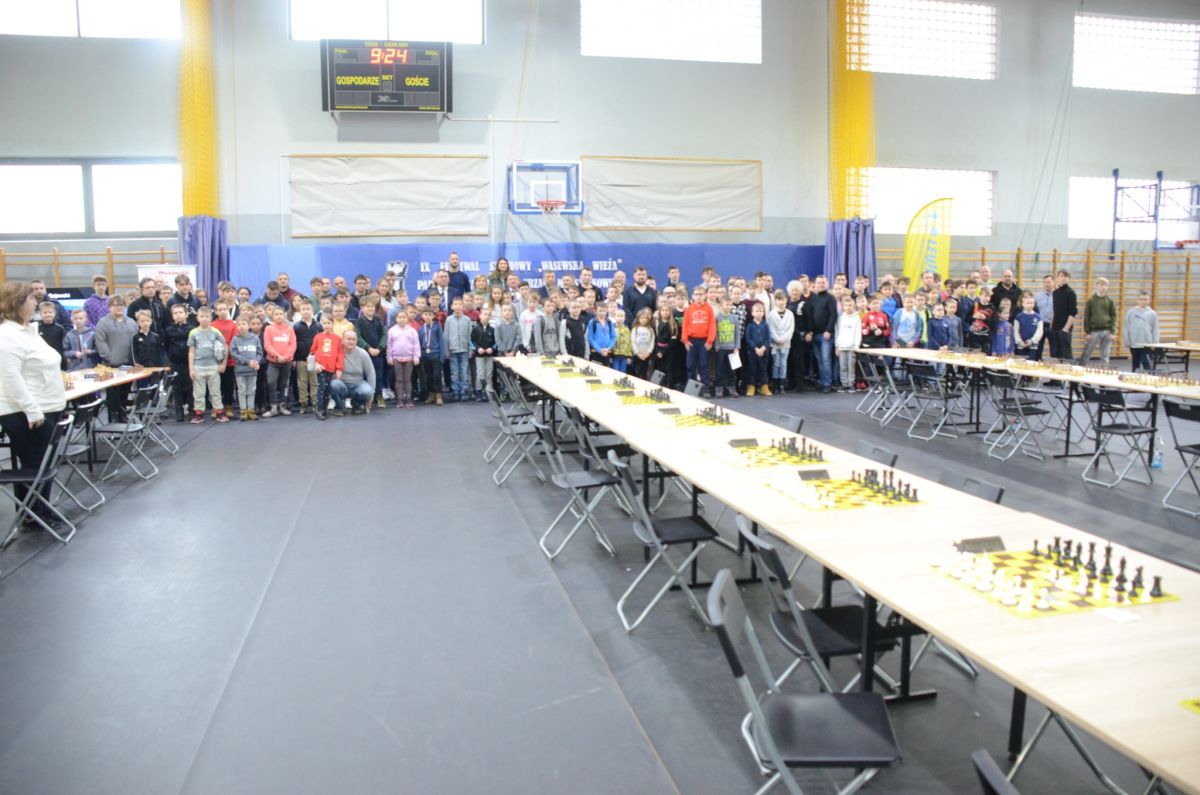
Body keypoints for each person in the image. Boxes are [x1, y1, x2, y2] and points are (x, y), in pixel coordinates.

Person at [0, 281, 68, 531]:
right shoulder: (7, 335)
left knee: (42, 464)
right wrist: (32, 410)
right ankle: (34, 514)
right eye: (31, 299)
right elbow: (11, 377)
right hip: (25, 412)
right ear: (18, 303)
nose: (36, 302)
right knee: (35, 465)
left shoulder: (28, 331)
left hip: (47, 406)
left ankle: (37, 510)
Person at [94, 295, 138, 421]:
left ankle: (122, 415)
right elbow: (100, 342)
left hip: (128, 364)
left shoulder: (131, 322)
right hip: (111, 365)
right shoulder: (103, 323)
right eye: (115, 305)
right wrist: (109, 358)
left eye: (121, 305)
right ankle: (113, 417)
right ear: (109, 307)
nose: (119, 307)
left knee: (125, 391)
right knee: (113, 394)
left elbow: (136, 341)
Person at [187, 307, 229, 423]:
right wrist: (191, 369)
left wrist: (223, 364)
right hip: (198, 367)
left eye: (207, 316)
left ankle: (219, 412)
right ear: (197, 318)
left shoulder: (216, 332)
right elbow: (191, 351)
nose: (204, 319)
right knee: (198, 392)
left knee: (215, 391)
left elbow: (225, 346)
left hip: (213, 366)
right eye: (202, 316)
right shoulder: (193, 332)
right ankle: (198, 414)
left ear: (211, 318)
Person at [262, 304, 297, 416]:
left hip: (287, 362)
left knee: (284, 384)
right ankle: (273, 406)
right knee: (271, 382)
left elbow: (293, 345)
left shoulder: (289, 329)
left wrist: (286, 357)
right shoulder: (269, 329)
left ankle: (282, 406)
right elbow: (267, 345)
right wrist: (277, 356)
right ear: (272, 316)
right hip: (273, 362)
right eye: (276, 314)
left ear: (284, 315)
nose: (279, 316)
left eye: (281, 314)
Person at [331, 329, 375, 415]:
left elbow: (371, 373)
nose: (351, 342)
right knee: (333, 385)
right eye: (348, 339)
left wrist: (372, 395)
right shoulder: (335, 352)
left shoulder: (363, 353)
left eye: (354, 339)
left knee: (368, 391)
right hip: (341, 384)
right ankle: (339, 407)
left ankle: (356, 405)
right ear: (342, 340)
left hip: (358, 383)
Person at [162, 304, 194, 419]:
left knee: (190, 386)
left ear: (186, 314)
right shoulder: (168, 330)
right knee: (176, 387)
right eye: (175, 313)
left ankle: (191, 409)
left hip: (189, 362)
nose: (178, 315)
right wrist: (169, 360)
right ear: (172, 316)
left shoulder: (192, 329)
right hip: (175, 363)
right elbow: (166, 346)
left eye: (180, 312)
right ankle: (179, 410)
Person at [682, 286, 716, 392]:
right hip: (691, 341)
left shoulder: (709, 309)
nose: (698, 297)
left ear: (705, 295)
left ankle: (705, 387)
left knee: (704, 365)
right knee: (690, 365)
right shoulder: (689, 309)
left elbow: (712, 326)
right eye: (696, 294)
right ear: (692, 296)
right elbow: (684, 325)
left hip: (704, 342)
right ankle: (691, 388)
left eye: (700, 294)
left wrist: (710, 341)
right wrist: (685, 341)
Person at [354, 298, 387, 408]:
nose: (370, 308)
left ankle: (379, 396)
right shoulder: (359, 322)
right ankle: (367, 398)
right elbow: (358, 337)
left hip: (379, 353)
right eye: (367, 306)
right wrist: (368, 348)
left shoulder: (379, 320)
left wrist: (380, 348)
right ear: (362, 308)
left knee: (379, 376)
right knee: (365, 376)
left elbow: (384, 334)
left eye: (372, 306)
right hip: (365, 354)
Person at [230, 315, 264, 421]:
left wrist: (256, 361)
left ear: (248, 325)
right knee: (242, 391)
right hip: (240, 371)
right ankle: (243, 411)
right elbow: (233, 353)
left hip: (252, 370)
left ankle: (251, 410)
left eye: (244, 324)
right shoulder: (235, 339)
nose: (241, 326)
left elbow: (260, 352)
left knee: (251, 390)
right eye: (239, 324)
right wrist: (247, 361)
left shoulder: (254, 338)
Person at [807, 276, 838, 393]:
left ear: (827, 284)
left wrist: (828, 330)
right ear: (815, 284)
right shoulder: (813, 299)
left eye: (823, 282)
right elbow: (810, 317)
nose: (821, 284)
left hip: (826, 335)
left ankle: (827, 383)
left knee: (826, 360)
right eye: (819, 282)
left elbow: (833, 315)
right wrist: (810, 331)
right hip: (815, 334)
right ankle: (822, 381)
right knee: (819, 360)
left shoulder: (831, 298)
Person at [310, 313, 343, 420]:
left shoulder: (337, 338)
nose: (327, 325)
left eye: (329, 323)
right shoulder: (318, 337)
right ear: (321, 324)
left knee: (328, 389)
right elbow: (312, 352)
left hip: (331, 368)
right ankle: (319, 409)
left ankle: (324, 408)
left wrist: (339, 369)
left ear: (333, 324)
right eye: (324, 323)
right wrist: (315, 364)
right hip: (320, 367)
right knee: (321, 388)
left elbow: (340, 354)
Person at [386, 308, 421, 408]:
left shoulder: (412, 331)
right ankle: (400, 399)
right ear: (396, 319)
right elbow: (389, 345)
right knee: (399, 379)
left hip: (409, 358)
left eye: (404, 317)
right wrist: (389, 357)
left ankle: (409, 399)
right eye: (400, 317)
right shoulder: (392, 331)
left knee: (407, 379)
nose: (402, 319)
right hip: (396, 359)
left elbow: (416, 345)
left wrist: (416, 357)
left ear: (407, 318)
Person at [1079, 277, 1116, 366]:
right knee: (1086, 353)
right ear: (1097, 286)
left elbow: (1113, 316)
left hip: (1106, 330)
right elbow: (1087, 317)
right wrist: (1087, 332)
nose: (1103, 287)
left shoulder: (1110, 301)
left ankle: (1103, 371)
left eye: (1105, 285)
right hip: (1094, 331)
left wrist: (1112, 331)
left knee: (1105, 355)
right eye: (1101, 285)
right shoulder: (1091, 301)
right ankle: (1080, 369)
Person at [443, 296, 473, 402]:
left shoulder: (467, 320)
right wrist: (446, 350)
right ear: (452, 306)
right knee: (454, 372)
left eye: (460, 304)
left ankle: (464, 391)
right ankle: (456, 391)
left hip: (464, 350)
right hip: (453, 350)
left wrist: (471, 350)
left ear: (463, 306)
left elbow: (470, 336)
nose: (458, 306)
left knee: (464, 372)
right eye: (455, 304)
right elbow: (446, 336)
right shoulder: (448, 320)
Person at [1124, 292, 1160, 372]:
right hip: (1134, 344)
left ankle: (1148, 378)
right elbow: (1126, 327)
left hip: (1147, 344)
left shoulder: (1152, 313)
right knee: (1135, 366)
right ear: (1137, 300)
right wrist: (1127, 341)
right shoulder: (1131, 312)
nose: (1143, 301)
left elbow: (1155, 329)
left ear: (1149, 301)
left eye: (1145, 299)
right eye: (1141, 299)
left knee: (1146, 364)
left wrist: (1156, 342)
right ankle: (1134, 378)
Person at [767, 290, 794, 394]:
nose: (780, 302)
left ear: (786, 300)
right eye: (778, 299)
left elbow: (791, 329)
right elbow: (771, 329)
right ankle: (775, 385)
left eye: (782, 299)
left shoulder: (790, 314)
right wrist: (777, 339)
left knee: (783, 363)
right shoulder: (771, 314)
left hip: (786, 343)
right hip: (775, 343)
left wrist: (784, 339)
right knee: (776, 363)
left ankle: (781, 384)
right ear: (775, 301)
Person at [713, 298, 741, 398]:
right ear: (721, 306)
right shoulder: (717, 318)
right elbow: (715, 333)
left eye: (730, 305)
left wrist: (737, 347)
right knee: (719, 369)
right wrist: (716, 345)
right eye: (726, 305)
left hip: (732, 348)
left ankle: (731, 387)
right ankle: (719, 388)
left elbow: (737, 333)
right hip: (721, 348)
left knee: (732, 370)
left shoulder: (734, 318)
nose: (729, 307)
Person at [419, 307, 446, 406]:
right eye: (425, 314)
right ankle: (431, 394)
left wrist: (442, 356)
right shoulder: (421, 329)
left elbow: (442, 341)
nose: (427, 316)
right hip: (425, 356)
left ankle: (439, 395)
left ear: (433, 316)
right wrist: (420, 356)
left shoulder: (437, 326)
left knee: (437, 375)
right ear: (422, 316)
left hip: (436, 355)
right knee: (428, 376)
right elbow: (419, 342)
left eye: (430, 315)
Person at [835, 295, 862, 393]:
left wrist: (856, 346)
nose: (848, 307)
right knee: (843, 367)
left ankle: (851, 384)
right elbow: (837, 332)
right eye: (846, 305)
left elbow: (858, 332)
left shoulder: (857, 318)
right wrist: (837, 346)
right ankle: (844, 384)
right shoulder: (841, 318)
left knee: (851, 367)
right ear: (843, 306)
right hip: (842, 346)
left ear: (854, 306)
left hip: (852, 347)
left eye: (850, 305)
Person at [468, 306, 495, 402]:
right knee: (480, 374)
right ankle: (478, 391)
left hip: (489, 356)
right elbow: (471, 341)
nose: (487, 316)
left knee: (489, 374)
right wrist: (477, 348)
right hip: (479, 356)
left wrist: (492, 348)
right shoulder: (475, 328)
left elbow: (495, 342)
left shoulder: (492, 329)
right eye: (485, 314)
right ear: (480, 316)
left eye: (489, 315)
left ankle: (488, 392)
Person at [743, 301, 770, 397]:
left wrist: (763, 348)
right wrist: (755, 348)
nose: (759, 313)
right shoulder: (750, 326)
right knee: (752, 369)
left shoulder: (765, 325)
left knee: (763, 369)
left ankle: (764, 387)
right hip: (752, 352)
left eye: (761, 311)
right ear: (752, 313)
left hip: (764, 351)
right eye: (757, 311)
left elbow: (768, 338)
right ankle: (751, 387)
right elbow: (748, 339)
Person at [1050, 269, 1077, 362]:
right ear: (1057, 278)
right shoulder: (1055, 293)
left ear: (1069, 279)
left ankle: (1069, 370)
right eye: (1061, 276)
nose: (1063, 278)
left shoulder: (1071, 293)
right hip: (1055, 327)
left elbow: (1073, 313)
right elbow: (1055, 310)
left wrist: (1066, 328)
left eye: (1065, 276)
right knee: (1056, 353)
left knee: (1066, 354)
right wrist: (1052, 325)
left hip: (1065, 328)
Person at [629, 307, 656, 382]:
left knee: (645, 372)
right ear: (638, 319)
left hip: (646, 354)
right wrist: (637, 353)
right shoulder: (635, 329)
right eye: (641, 318)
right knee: (637, 372)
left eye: (645, 318)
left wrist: (648, 352)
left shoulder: (650, 329)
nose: (643, 320)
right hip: (637, 354)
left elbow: (652, 341)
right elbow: (633, 341)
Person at [1013, 293, 1043, 360]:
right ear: (1023, 304)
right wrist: (1019, 341)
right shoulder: (1018, 317)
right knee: (1021, 363)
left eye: (1031, 303)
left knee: (1031, 363)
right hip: (1021, 345)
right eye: (1027, 303)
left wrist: (1032, 341)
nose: (1029, 305)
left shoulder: (1038, 317)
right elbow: (1016, 331)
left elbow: (1039, 331)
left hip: (1033, 346)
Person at [36, 301, 66, 367]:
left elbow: (63, 346)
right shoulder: (36, 328)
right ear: (40, 314)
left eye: (50, 312)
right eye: (45, 312)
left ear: (54, 313)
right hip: (42, 359)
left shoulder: (60, 328)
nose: (48, 314)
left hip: (58, 359)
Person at [1033, 274, 1055, 360]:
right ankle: (1037, 363)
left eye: (1048, 282)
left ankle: (1053, 364)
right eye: (1045, 282)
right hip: (1041, 325)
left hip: (1053, 325)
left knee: (1054, 348)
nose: (1046, 284)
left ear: (1053, 282)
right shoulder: (1038, 296)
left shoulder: (1057, 295)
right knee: (1038, 348)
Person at [967, 287, 995, 351]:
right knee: (974, 353)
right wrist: (973, 317)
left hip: (986, 337)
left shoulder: (992, 307)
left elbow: (993, 323)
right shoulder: (975, 306)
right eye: (985, 296)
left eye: (989, 296)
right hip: (974, 336)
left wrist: (985, 318)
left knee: (986, 353)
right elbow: (967, 319)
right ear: (980, 296)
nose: (987, 298)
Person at [612, 308, 632, 374]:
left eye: (622, 316)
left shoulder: (627, 329)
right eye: (618, 316)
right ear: (614, 317)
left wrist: (629, 356)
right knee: (615, 371)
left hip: (624, 355)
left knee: (623, 372)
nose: (620, 318)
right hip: (614, 355)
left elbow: (629, 343)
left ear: (624, 317)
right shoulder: (612, 328)